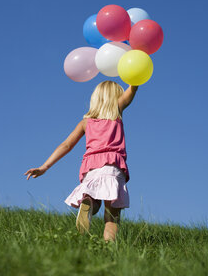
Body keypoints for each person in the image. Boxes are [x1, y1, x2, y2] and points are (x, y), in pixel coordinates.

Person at [24, 81, 138, 242]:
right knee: (112, 217)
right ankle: (107, 249)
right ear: (116, 98)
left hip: (91, 169)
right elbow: (133, 88)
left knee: (94, 198)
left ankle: (89, 205)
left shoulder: (86, 123)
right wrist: (135, 75)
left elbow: (66, 145)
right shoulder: (116, 111)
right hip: (112, 167)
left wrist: (44, 167)